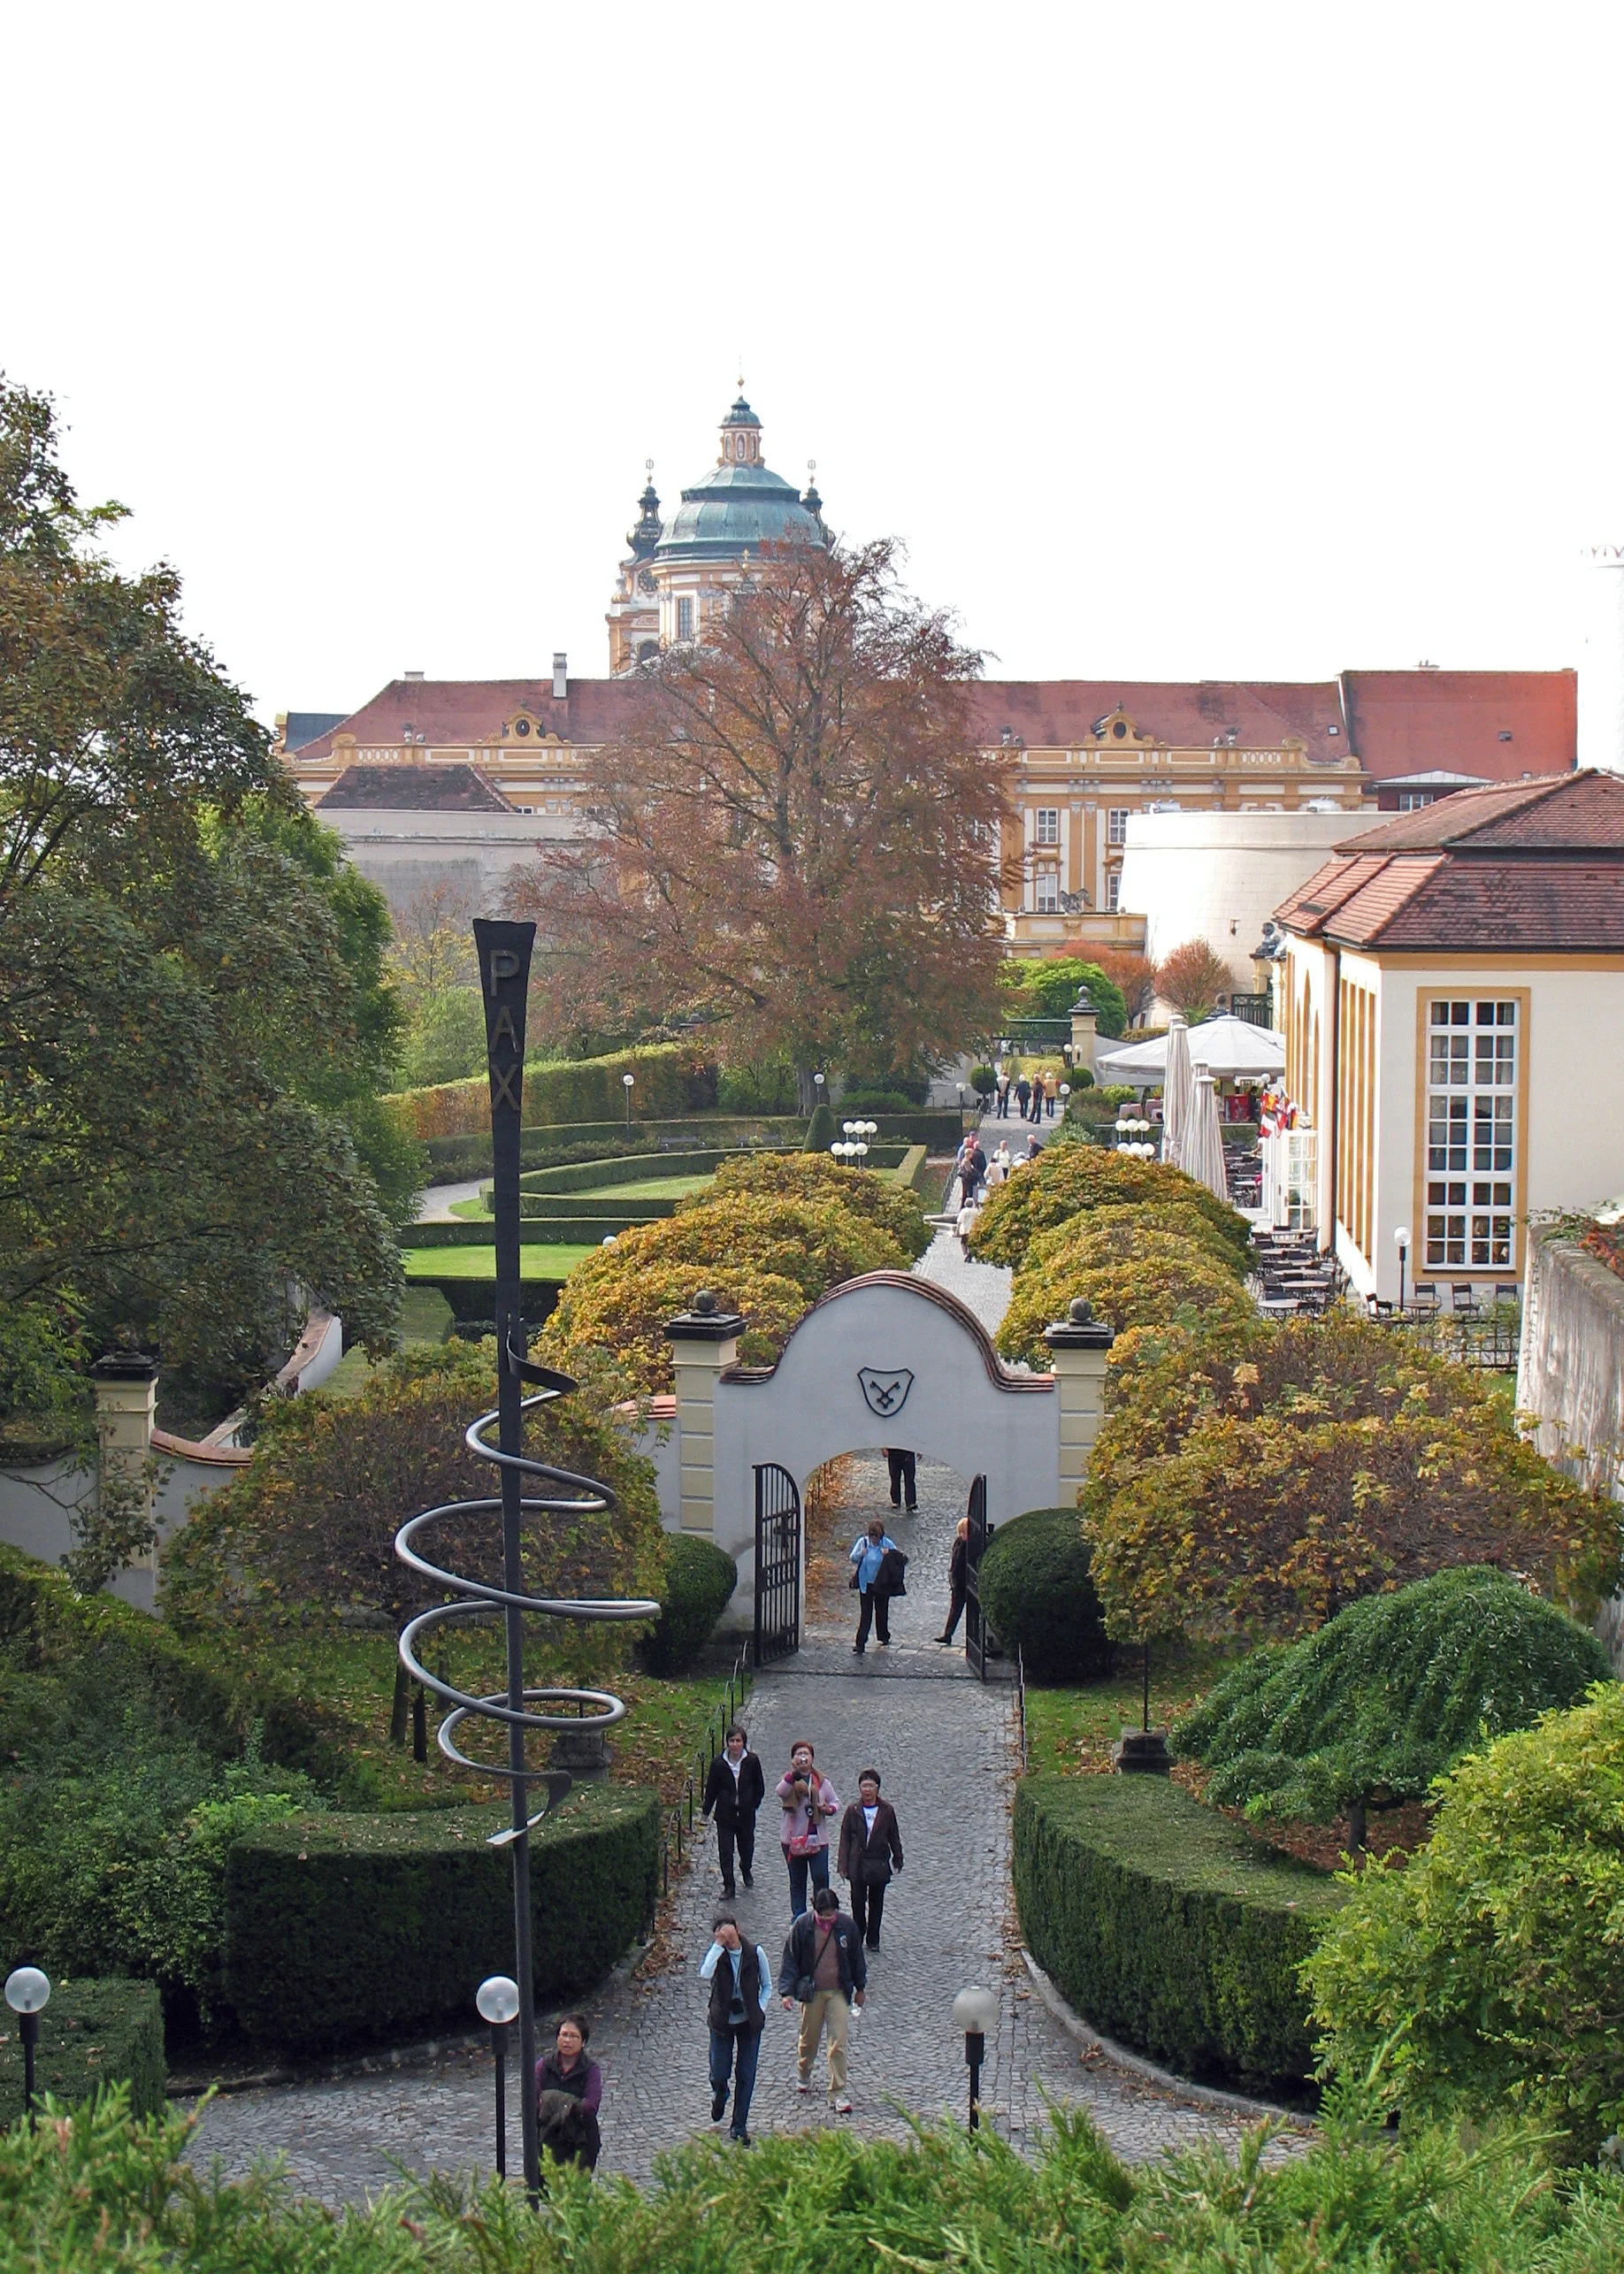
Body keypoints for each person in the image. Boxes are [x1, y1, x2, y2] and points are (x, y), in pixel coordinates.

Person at [778, 1884, 866, 2115]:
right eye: (824, 1916)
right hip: (813, 1993)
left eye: (831, 1915)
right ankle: (803, 2070)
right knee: (809, 2038)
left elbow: (857, 1958)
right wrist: (786, 1992)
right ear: (815, 1912)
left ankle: (837, 2092)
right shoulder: (802, 1928)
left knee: (838, 2042)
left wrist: (860, 1987)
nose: (828, 1920)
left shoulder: (847, 1926)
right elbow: (790, 1959)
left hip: (838, 1991)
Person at [699, 1909, 770, 2144]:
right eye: (722, 1936)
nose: (727, 1940)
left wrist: (759, 2008)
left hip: (749, 2023)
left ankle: (739, 2124)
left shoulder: (755, 1953)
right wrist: (718, 1945)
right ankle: (720, 2093)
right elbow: (705, 1972)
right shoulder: (718, 1955)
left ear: (737, 1930)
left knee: (746, 2073)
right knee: (719, 2071)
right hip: (722, 2021)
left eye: (729, 1935)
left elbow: (767, 1985)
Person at [837, 1769, 904, 1951]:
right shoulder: (853, 1810)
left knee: (877, 1901)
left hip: (878, 1862)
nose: (867, 1790)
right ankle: (858, 1932)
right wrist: (842, 1864)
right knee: (857, 1901)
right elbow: (845, 1838)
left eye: (870, 1786)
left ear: (877, 1788)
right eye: (864, 1786)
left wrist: (898, 1857)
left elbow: (893, 1835)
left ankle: (873, 1938)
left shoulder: (887, 1810)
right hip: (857, 1862)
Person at [776, 1741, 839, 1917]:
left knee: (820, 1877)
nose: (803, 1757)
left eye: (806, 1754)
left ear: (812, 1758)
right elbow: (780, 1792)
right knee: (797, 1880)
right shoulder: (788, 1779)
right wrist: (794, 1774)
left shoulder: (822, 1780)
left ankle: (822, 1913)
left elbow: (836, 1802)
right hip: (793, 1839)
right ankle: (799, 1917)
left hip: (817, 1838)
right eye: (799, 1754)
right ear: (793, 1759)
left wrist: (829, 1809)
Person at [702, 1724, 765, 1898]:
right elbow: (712, 1788)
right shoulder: (718, 1763)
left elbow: (759, 1785)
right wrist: (706, 1811)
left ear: (743, 1743)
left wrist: (754, 1803)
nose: (735, 1744)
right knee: (725, 1851)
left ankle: (746, 1869)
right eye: (732, 1741)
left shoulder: (752, 1761)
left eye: (738, 1741)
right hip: (725, 1814)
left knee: (746, 1847)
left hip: (746, 1813)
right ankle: (729, 1885)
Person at [534, 2013, 601, 2171]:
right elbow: (533, 2102)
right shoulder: (543, 2066)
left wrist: (551, 2099)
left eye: (574, 2036)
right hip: (547, 2141)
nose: (567, 2040)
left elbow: (590, 2107)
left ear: (583, 2042)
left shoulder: (591, 2070)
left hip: (580, 2144)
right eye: (564, 2035)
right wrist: (573, 2105)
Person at [849, 1516, 900, 1653]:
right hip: (866, 1584)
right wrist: (861, 1554)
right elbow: (852, 1557)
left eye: (877, 1537)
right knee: (866, 1614)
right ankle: (860, 1643)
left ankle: (883, 1635)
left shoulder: (887, 1543)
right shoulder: (863, 1543)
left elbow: (900, 1558)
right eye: (873, 1537)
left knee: (882, 1611)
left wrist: (888, 1554)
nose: (875, 1540)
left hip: (882, 1583)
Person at [938, 1515, 970, 1644]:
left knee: (973, 1611)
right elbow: (955, 1561)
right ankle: (948, 1634)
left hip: (968, 1581)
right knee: (955, 1609)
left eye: (963, 1532)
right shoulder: (959, 1542)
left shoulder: (970, 1545)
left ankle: (976, 1638)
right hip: (958, 1582)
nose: (961, 1535)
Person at [884, 1447, 917, 1512]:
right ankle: (896, 1500)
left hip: (908, 1452)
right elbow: (885, 1436)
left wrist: (919, 1449)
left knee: (909, 1479)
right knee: (895, 1479)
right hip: (893, 1452)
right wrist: (884, 1448)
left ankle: (910, 1502)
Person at [955, 1192, 978, 1256]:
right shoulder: (976, 1211)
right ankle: (970, 1253)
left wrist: (957, 1230)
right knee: (971, 1243)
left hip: (965, 1229)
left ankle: (965, 1254)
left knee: (963, 1243)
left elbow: (959, 1221)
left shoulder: (963, 1211)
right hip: (973, 1230)